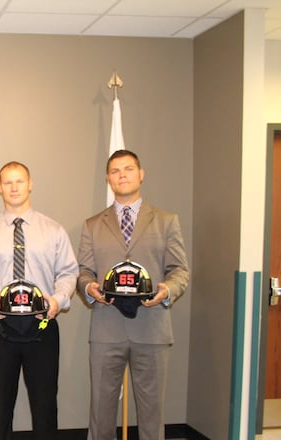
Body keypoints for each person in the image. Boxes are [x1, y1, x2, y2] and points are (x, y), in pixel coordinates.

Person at [77, 149, 189, 440]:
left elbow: (180, 271)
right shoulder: (92, 225)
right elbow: (84, 271)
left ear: (141, 174)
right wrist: (89, 288)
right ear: (108, 179)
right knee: (100, 413)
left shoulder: (166, 221)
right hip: (106, 329)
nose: (122, 175)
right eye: (115, 171)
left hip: (152, 328)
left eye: (128, 169)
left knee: (152, 414)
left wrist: (167, 290)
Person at [0, 161, 78, 440]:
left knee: (45, 406)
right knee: (0, 408)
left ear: (30, 184)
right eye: (8, 182)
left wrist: (57, 300)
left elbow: (68, 273)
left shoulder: (53, 230)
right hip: (0, 329)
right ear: (0, 188)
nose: (14, 187)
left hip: (42, 327)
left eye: (20, 181)